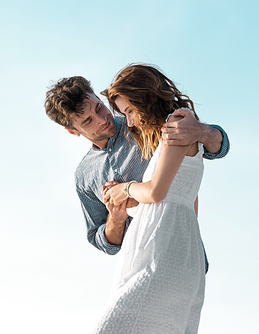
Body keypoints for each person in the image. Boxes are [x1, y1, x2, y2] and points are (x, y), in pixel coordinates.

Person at [44, 74, 229, 272]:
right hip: (137, 265)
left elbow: (215, 148)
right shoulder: (84, 177)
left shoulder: (139, 121)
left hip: (182, 252)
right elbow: (102, 241)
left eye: (99, 107)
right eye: (88, 121)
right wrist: (116, 219)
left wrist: (202, 131)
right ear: (73, 131)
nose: (102, 119)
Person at [92, 63, 215, 333]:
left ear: (146, 98)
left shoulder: (178, 126)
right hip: (170, 242)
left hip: (164, 249)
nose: (131, 121)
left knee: (114, 326)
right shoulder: (170, 133)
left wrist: (126, 188)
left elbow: (157, 191)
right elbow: (177, 198)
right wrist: (122, 201)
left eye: (130, 111)